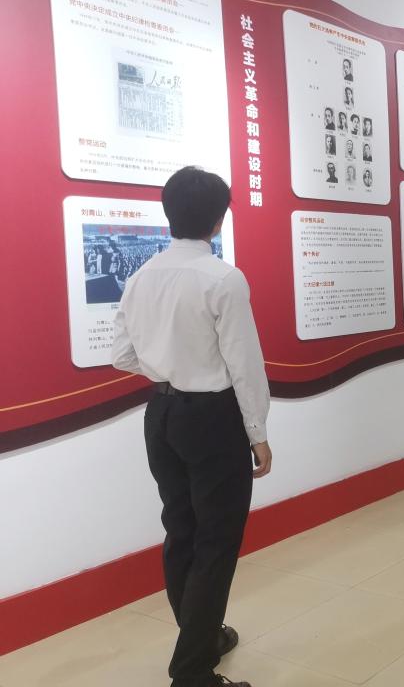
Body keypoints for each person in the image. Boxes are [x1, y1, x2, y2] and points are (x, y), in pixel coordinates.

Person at [112, 166, 271, 687]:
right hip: (212, 419)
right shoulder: (223, 278)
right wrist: (258, 433)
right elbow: (244, 364)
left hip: (160, 416)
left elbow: (121, 354)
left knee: (181, 531)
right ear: (219, 219)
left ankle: (200, 638)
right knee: (217, 541)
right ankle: (192, 671)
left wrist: (166, 368)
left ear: (168, 214)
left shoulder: (141, 276)